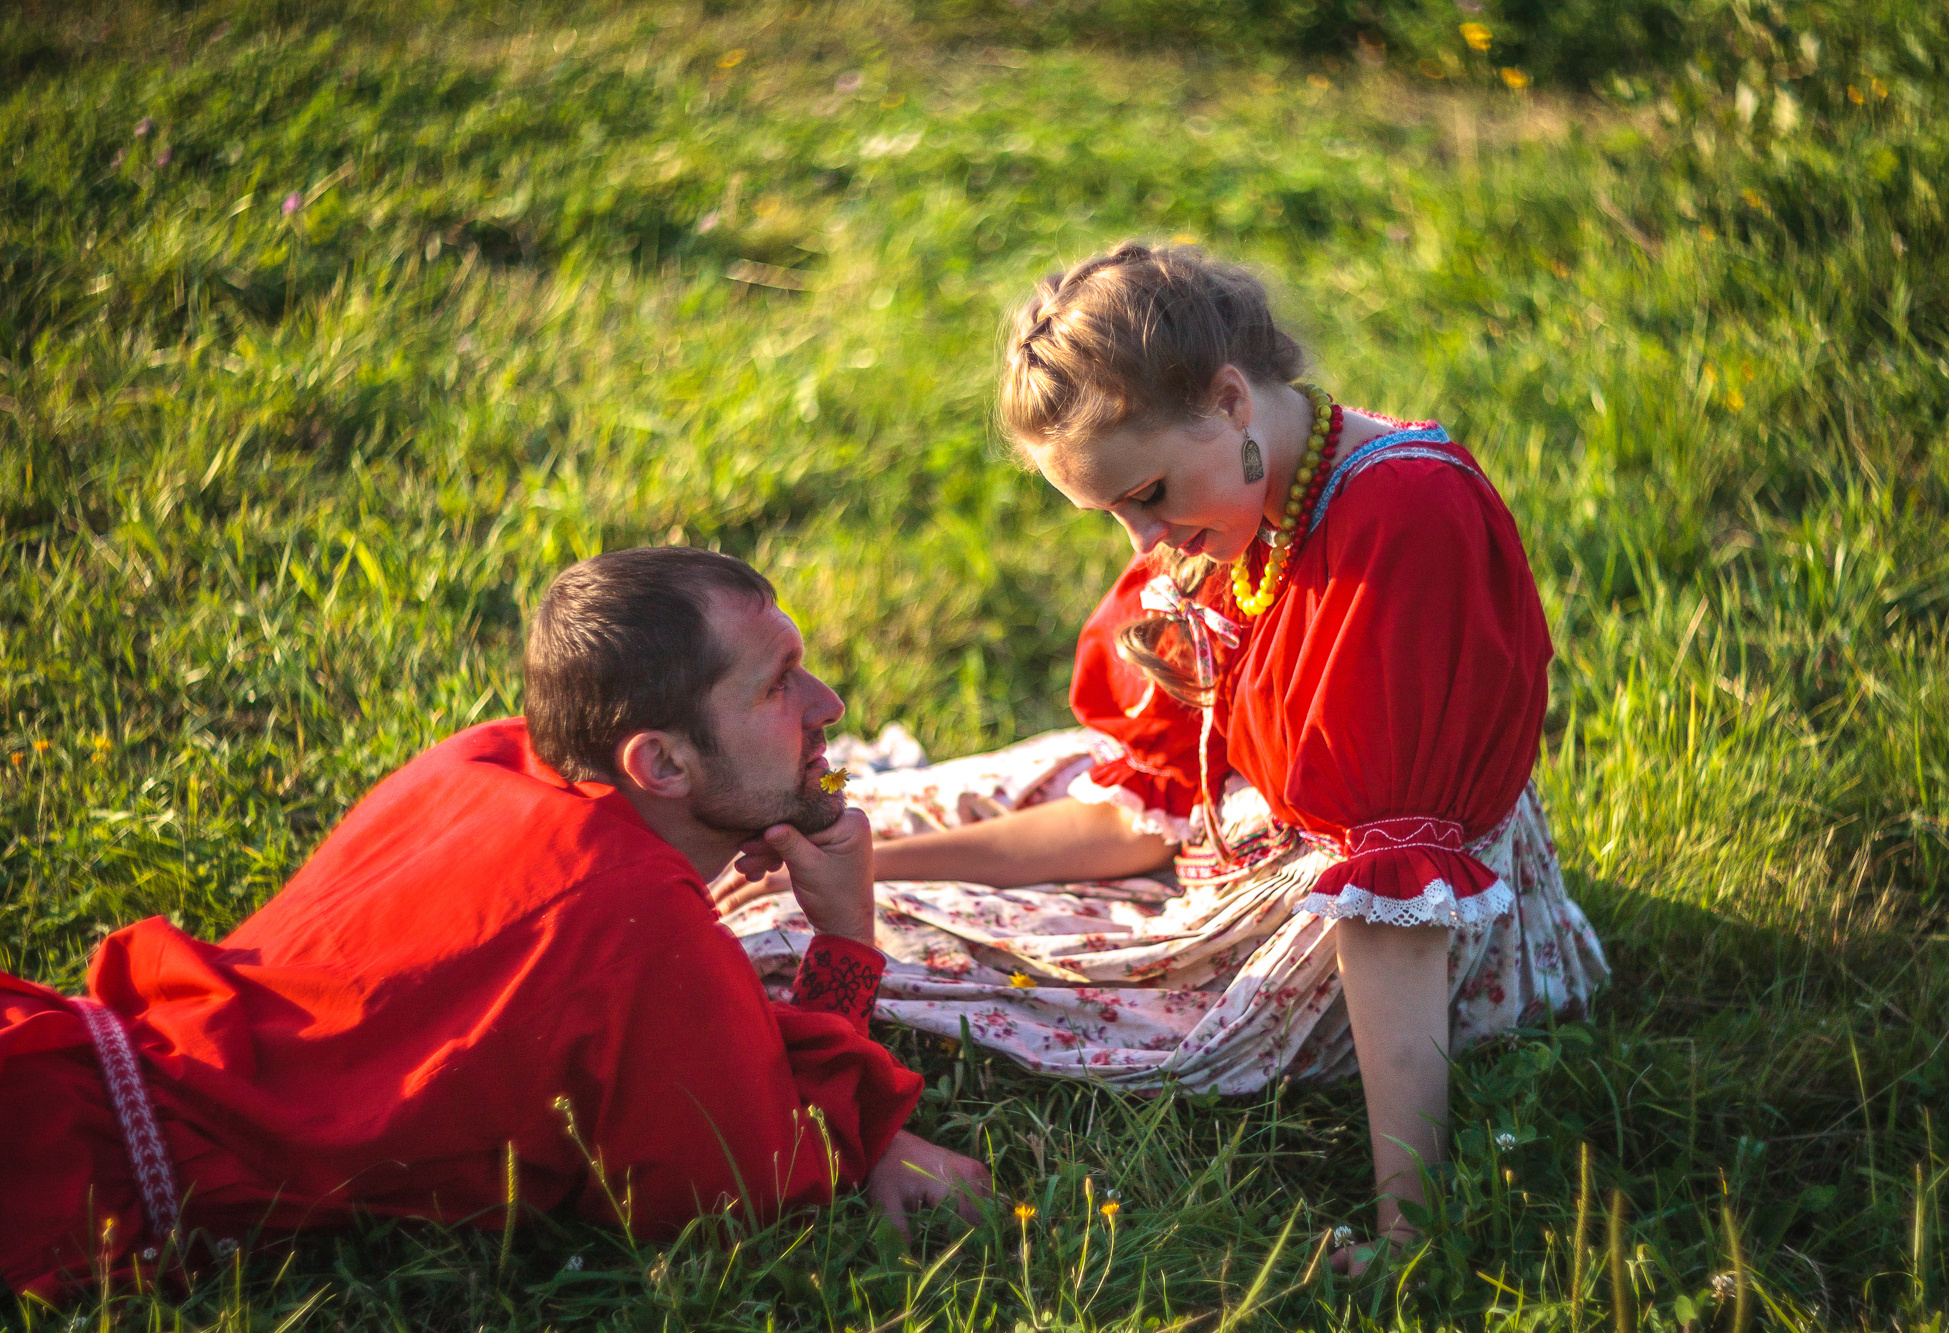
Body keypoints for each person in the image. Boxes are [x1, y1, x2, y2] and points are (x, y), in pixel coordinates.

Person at [716, 243, 1607, 1271]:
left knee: (783, 937)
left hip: (1368, 935)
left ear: (1228, 398)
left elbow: (1393, 908)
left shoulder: (1395, 521)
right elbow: (1137, 813)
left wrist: (1409, 1230)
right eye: (1113, 514)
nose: (1142, 542)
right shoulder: (1242, 507)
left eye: (1146, 493)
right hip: (1251, 839)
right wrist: (879, 855)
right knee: (875, 823)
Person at [0, 547, 988, 1302]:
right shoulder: (634, 921)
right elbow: (747, 1190)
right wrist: (845, 941)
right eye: (777, 685)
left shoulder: (486, 759)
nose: (829, 704)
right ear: (663, 766)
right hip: (65, 1182)